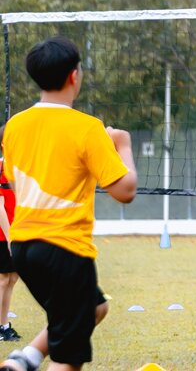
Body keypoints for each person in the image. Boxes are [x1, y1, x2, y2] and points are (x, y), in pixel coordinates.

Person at [0, 36, 137, 371]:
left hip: (24, 249)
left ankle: (25, 358)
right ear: (76, 75)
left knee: (94, 307)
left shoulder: (13, 126)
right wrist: (123, 145)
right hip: (65, 250)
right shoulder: (87, 128)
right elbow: (125, 191)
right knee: (68, 358)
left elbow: (18, 184)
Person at [0, 127, 20, 343]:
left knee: (11, 278)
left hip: (17, 230)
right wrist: (10, 237)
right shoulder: (1, 167)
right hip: (3, 234)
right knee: (3, 279)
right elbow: (0, 206)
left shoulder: (19, 169)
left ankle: (4, 325)